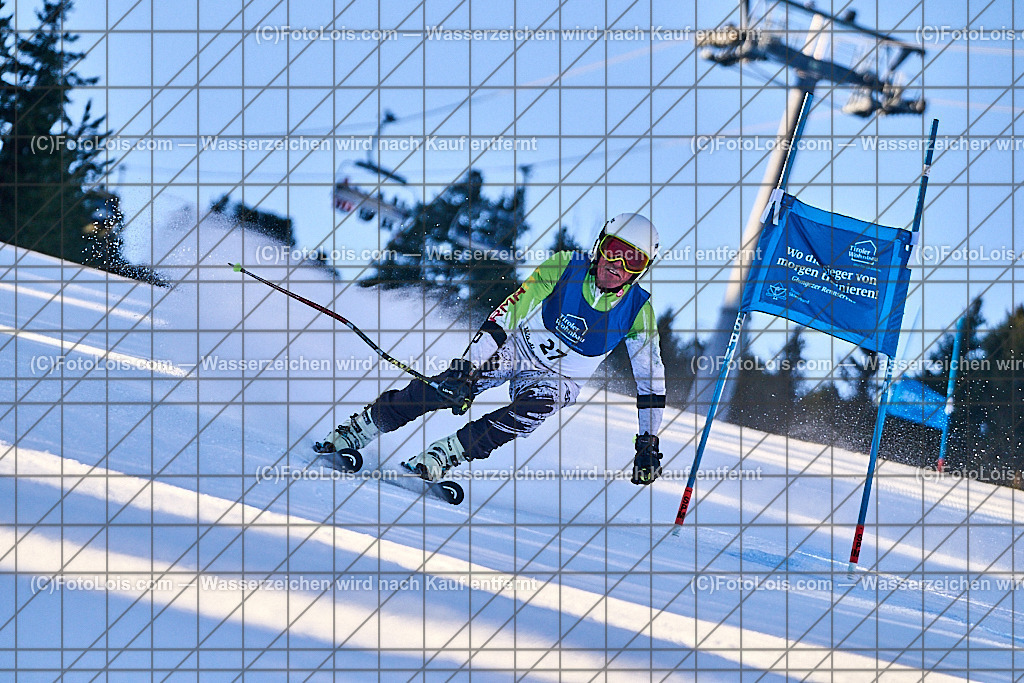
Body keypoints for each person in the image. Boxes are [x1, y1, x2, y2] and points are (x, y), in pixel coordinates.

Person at [315, 213, 667, 486]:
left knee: (533, 409)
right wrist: (467, 369)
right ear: (599, 246)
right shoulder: (565, 266)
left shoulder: (639, 312)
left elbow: (651, 382)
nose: (616, 265)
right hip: (519, 349)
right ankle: (361, 427)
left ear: (641, 271)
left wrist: (648, 443)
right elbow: (508, 313)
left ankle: (446, 453)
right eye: (613, 251)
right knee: (448, 388)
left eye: (632, 261)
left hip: (559, 379)